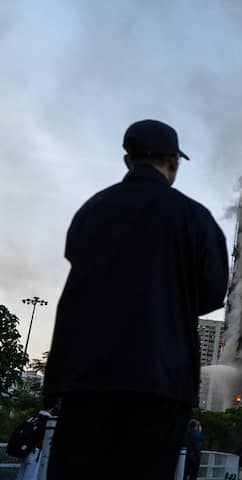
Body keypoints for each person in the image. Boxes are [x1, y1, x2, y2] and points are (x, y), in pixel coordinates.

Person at [43, 119, 229, 480]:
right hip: (160, 383)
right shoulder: (196, 219)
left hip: (86, 380)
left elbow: (77, 275)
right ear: (174, 161)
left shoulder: (92, 211)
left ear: (127, 160)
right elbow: (211, 293)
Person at [13, 397, 59, 480]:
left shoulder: (33, 418)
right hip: (35, 452)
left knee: (21, 475)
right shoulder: (48, 420)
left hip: (24, 451)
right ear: (55, 406)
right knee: (30, 477)